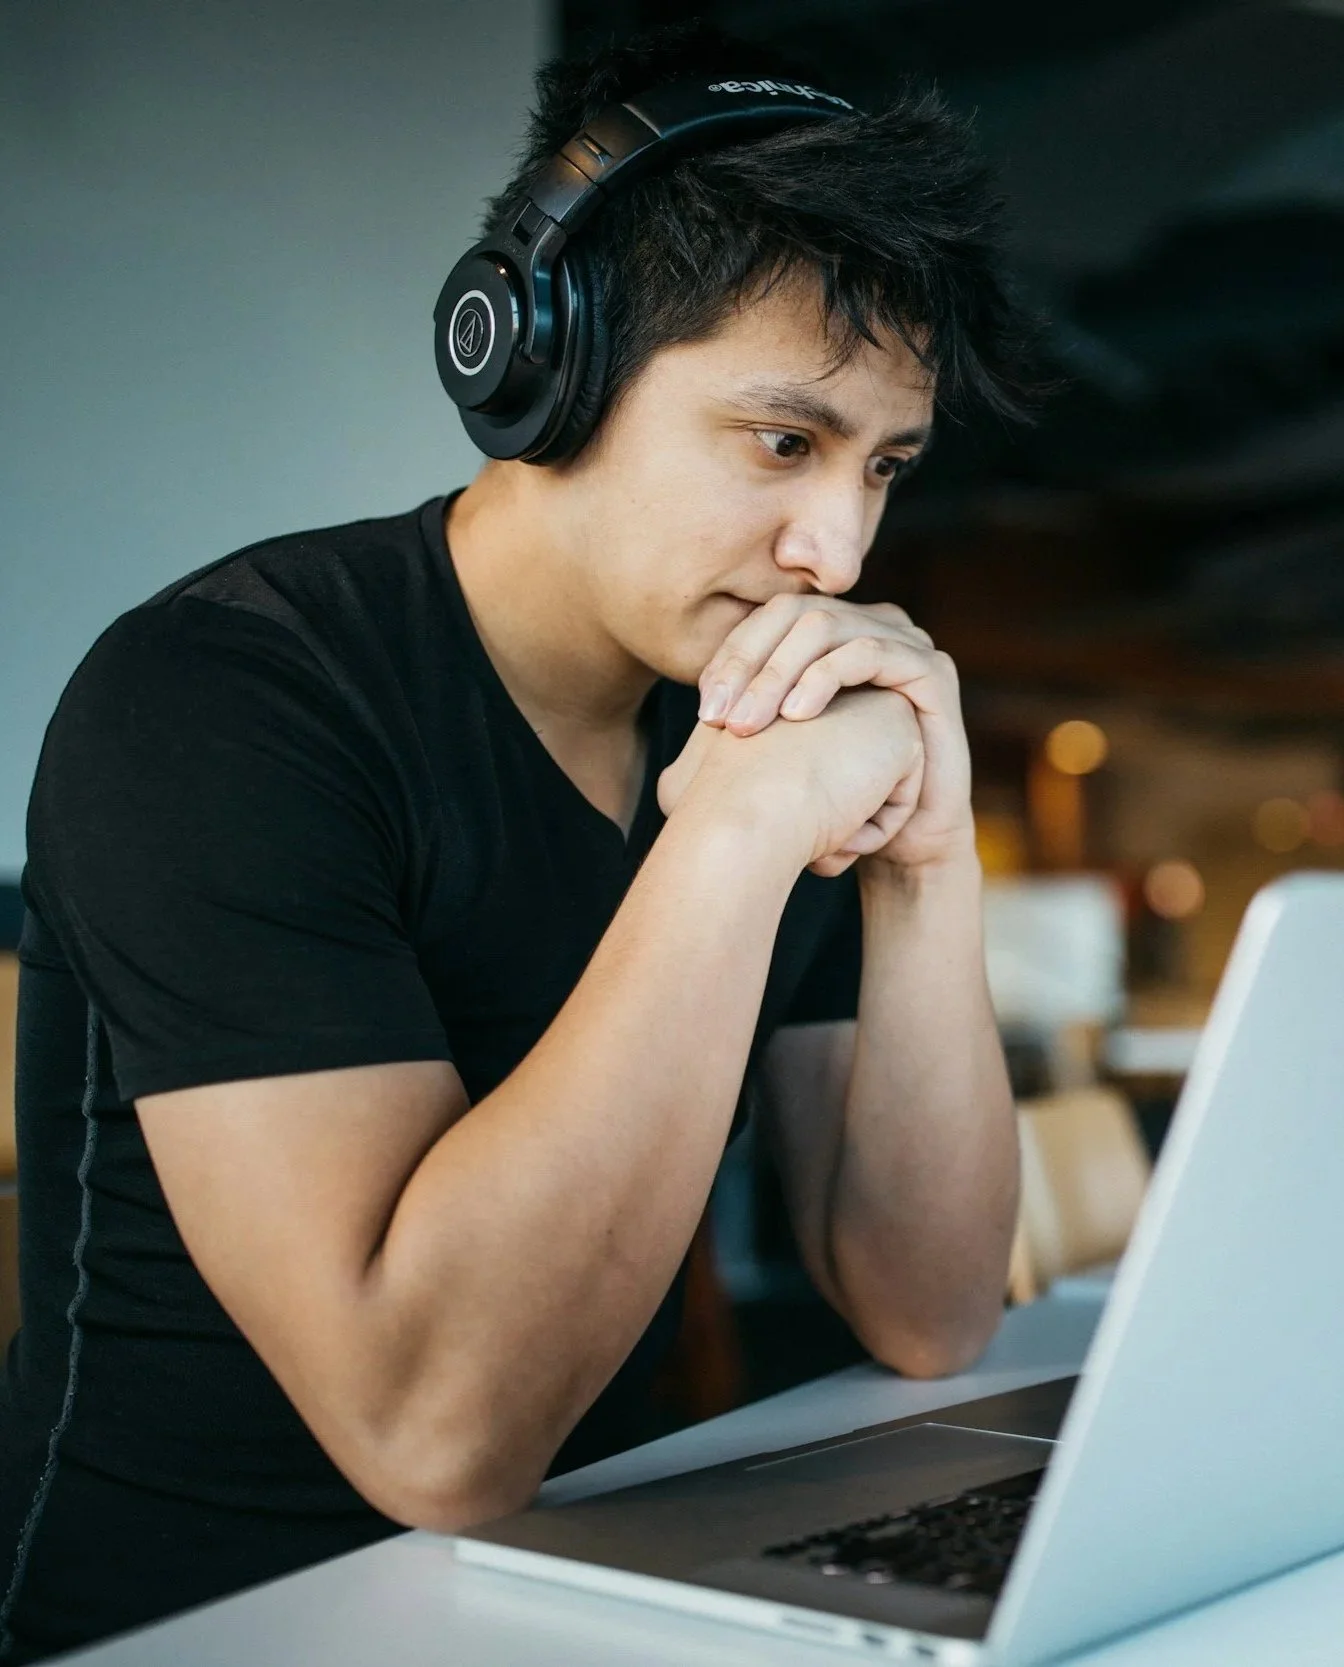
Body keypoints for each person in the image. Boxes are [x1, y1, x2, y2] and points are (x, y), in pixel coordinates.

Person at [0, 24, 1037, 1660]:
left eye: (883, 466)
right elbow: (432, 1436)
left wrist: (929, 857)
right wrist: (742, 828)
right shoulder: (221, 700)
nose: (834, 549)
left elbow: (929, 1308)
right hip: (208, 1622)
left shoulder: (752, 702)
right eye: (783, 440)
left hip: (573, 1600)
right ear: (542, 364)